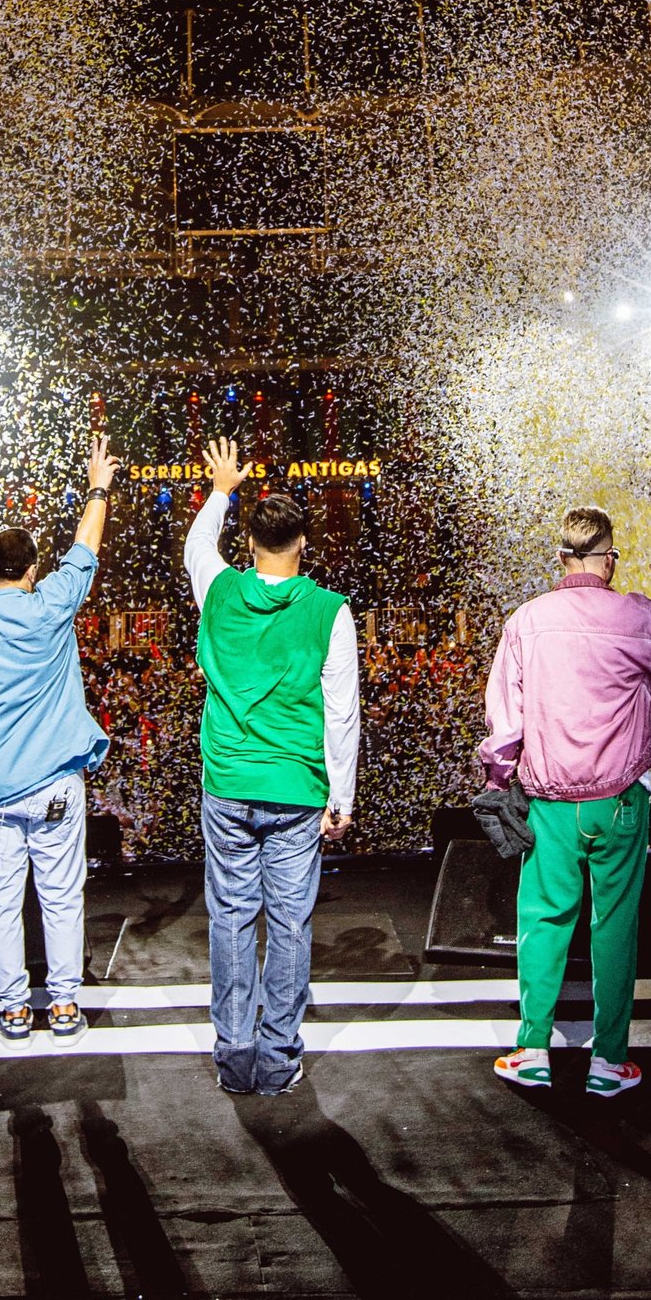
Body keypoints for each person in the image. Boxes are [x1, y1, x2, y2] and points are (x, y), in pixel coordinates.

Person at [481, 504, 651, 1096]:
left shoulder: (526, 622)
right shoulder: (637, 615)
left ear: (561, 559)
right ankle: (609, 1062)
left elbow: (504, 721)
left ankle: (533, 1049)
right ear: (608, 559)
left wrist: (496, 780)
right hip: (618, 802)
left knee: (543, 921)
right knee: (614, 926)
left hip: (552, 805)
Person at [183, 436, 360, 1097]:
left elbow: (197, 547)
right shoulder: (330, 611)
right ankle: (279, 1060)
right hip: (297, 791)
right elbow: (342, 716)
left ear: (250, 544)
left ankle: (234, 1058)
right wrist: (341, 798)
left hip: (228, 782)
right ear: (304, 542)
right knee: (288, 923)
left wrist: (223, 490)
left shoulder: (220, 591)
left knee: (232, 917)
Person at [0, 433, 118, 1040]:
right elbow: (86, 546)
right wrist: (98, 487)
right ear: (34, 570)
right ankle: (64, 1006)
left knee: (2, 904)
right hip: (57, 786)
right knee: (62, 897)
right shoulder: (53, 605)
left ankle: (13, 1008)